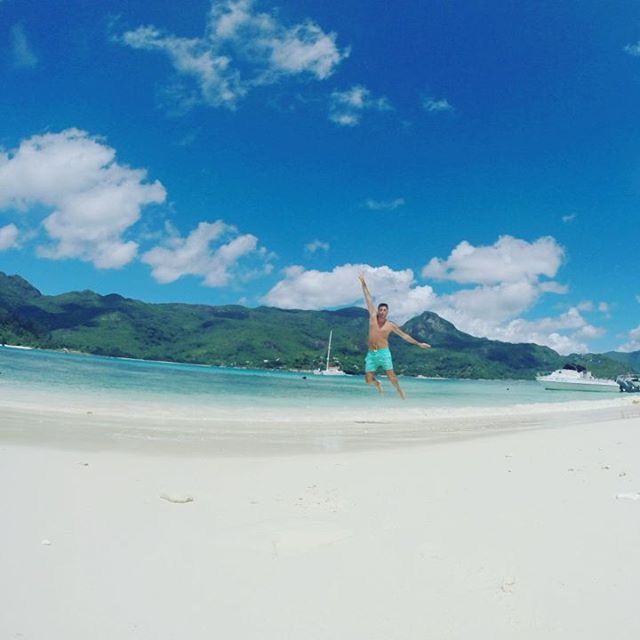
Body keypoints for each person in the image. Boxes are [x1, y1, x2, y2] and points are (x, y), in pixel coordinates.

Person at [359, 273, 431, 399]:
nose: (381, 312)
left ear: (387, 312)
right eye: (380, 309)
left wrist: (419, 343)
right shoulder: (372, 317)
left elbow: (405, 336)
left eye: (384, 310)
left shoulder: (390, 325)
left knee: (392, 377)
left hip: (384, 352)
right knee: (368, 380)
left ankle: (399, 390)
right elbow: (368, 298)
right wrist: (363, 283)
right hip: (371, 353)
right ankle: (377, 383)